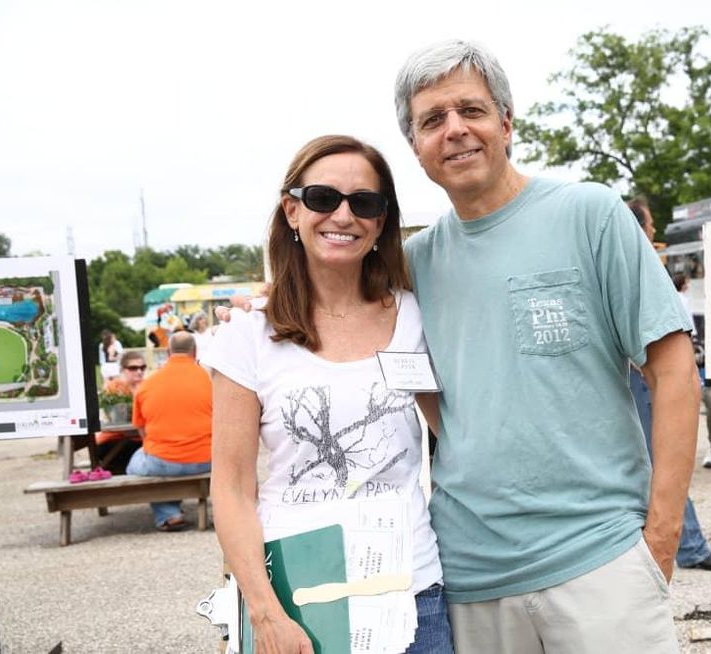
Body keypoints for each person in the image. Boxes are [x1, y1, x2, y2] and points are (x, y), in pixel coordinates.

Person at [395, 40, 699, 652]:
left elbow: (672, 371)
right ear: (416, 148)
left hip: (602, 559)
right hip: (471, 574)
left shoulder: (590, 213)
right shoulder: (413, 264)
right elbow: (432, 397)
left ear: (506, 123)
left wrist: (660, 540)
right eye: (432, 120)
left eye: (471, 110)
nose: (454, 130)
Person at [205, 135, 452, 654]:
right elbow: (230, 489)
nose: (343, 215)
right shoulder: (248, 332)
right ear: (292, 211)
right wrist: (264, 611)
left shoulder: (414, 315)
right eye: (323, 198)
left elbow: (452, 431)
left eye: (364, 202)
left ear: (381, 221)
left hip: (411, 595)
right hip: (298, 595)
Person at [627, 200, 711, 572]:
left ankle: (682, 542)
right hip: (643, 374)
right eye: (651, 224)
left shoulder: (629, 263)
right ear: (638, 227)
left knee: (654, 457)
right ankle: (688, 545)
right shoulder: (635, 266)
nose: (654, 231)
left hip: (638, 374)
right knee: (666, 456)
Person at [128, 332, 212, 531]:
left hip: (163, 461)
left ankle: (169, 514)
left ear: (168, 352)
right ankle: (171, 511)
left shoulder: (148, 385)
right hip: (208, 458)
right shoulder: (209, 380)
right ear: (195, 352)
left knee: (134, 463)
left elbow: (141, 429)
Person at [95, 350, 147, 474]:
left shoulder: (148, 386)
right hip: (114, 440)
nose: (139, 371)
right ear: (123, 370)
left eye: (142, 367)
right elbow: (116, 420)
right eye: (133, 368)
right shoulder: (114, 388)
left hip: (139, 439)